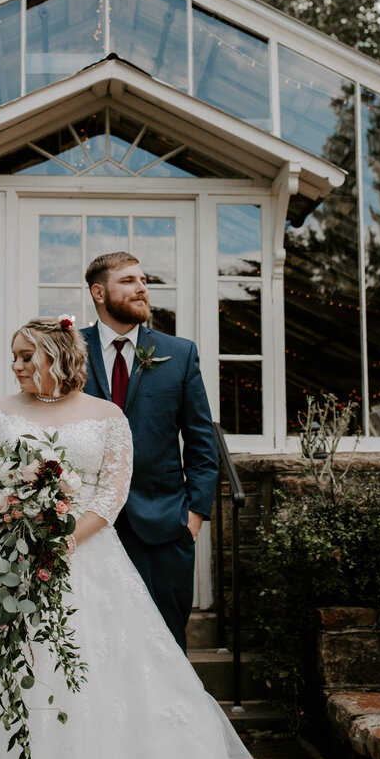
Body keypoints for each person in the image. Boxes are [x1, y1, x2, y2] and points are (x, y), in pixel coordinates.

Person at [0, 318, 380, 759]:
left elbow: (111, 493)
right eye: (14, 356)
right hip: (12, 560)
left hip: (86, 560)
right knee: (15, 667)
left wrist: (60, 539)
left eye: (25, 356)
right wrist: (16, 509)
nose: (15, 366)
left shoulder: (106, 416)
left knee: (93, 671)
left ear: (56, 355)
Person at [79, 251, 218, 651]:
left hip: (163, 523)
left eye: (143, 280)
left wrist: (193, 515)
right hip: (87, 525)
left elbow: (201, 441)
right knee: (93, 645)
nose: (142, 288)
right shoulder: (69, 349)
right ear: (99, 292)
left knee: (164, 644)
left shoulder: (180, 354)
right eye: (128, 281)